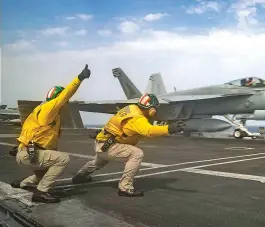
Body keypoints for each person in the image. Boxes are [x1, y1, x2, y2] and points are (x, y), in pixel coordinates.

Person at [72, 93, 185, 197]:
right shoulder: (137, 118)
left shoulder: (130, 108)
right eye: (155, 108)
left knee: (98, 161)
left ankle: (80, 177)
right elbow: (148, 131)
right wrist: (169, 129)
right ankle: (125, 188)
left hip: (102, 143)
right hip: (110, 146)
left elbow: (114, 122)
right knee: (137, 154)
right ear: (151, 109)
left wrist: (99, 133)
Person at [10, 65, 91, 203]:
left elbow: (31, 131)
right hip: (31, 154)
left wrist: (19, 147)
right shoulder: (50, 108)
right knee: (63, 159)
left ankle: (22, 184)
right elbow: (66, 94)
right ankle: (41, 192)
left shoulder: (39, 110)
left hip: (26, 152)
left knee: (44, 171)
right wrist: (80, 78)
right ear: (57, 98)